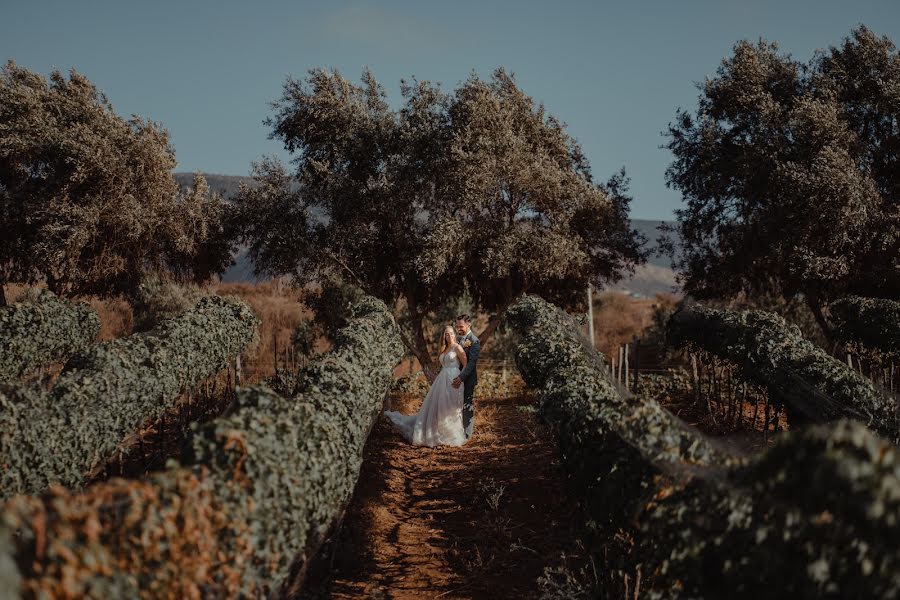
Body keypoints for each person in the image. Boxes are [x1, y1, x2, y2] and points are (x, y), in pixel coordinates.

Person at [384, 325, 469, 447]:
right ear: (444, 336)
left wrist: (461, 378)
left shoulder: (457, 348)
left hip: (454, 379)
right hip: (442, 380)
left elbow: (466, 364)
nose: (449, 335)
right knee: (437, 407)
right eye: (446, 334)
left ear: (454, 335)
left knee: (450, 407)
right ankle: (436, 433)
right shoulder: (444, 349)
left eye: (451, 333)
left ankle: (451, 435)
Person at [451, 314, 480, 440]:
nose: (458, 329)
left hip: (467, 379)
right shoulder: (455, 339)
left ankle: (467, 435)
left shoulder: (474, 341)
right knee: (453, 405)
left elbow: (471, 363)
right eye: (457, 327)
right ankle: (454, 431)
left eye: (461, 326)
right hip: (453, 377)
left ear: (469, 325)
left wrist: (461, 378)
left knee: (467, 406)